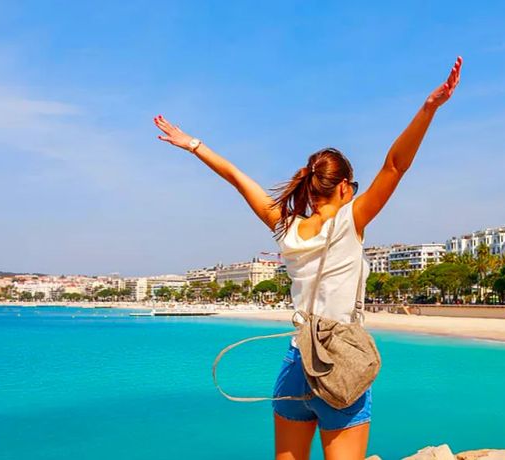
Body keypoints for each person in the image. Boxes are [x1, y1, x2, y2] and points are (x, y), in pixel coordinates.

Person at [153, 56, 462, 460]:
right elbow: (395, 164)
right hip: (339, 362)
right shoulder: (352, 220)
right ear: (345, 188)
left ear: (309, 188)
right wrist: (428, 108)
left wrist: (192, 144)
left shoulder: (285, 227)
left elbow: (234, 176)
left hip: (297, 360)